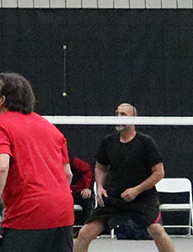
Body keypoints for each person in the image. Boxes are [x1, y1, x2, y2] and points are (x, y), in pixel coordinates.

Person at [0, 72, 75, 252]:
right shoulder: (50, 127)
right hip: (63, 212)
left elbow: (0, 167)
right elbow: (67, 173)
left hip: (28, 213)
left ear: (2, 100)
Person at [75, 103, 175, 252]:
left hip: (142, 199)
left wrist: (137, 190)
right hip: (113, 198)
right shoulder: (108, 142)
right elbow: (100, 166)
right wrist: (100, 187)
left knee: (157, 231)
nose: (118, 117)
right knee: (84, 233)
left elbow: (159, 172)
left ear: (134, 119)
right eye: (117, 114)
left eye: (123, 114)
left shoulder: (146, 142)